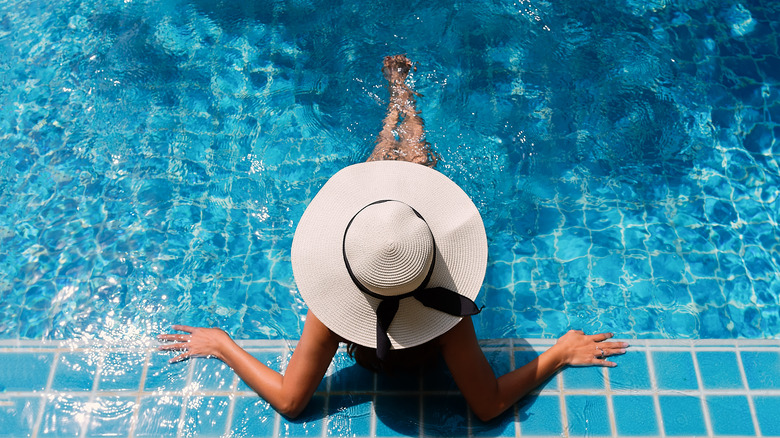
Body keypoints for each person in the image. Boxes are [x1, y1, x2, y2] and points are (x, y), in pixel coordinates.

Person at [157, 55, 628, 422]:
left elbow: (290, 400)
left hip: (377, 269)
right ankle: (404, 102)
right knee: (406, 188)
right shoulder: (448, 311)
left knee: (382, 196)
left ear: (345, 278)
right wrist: (560, 353)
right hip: (412, 269)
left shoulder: (329, 315)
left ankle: (396, 106)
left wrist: (222, 344)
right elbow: (488, 405)